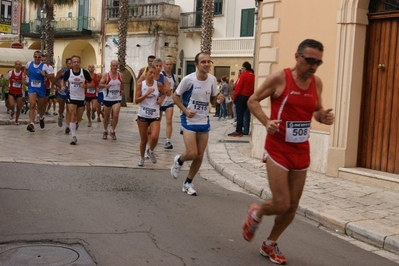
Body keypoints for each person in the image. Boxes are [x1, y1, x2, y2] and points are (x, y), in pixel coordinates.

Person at [242, 39, 334, 265]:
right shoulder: (279, 78)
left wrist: (322, 116)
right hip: (278, 148)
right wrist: (266, 121)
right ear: (297, 56)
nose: (313, 66)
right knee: (282, 202)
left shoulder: (316, 83)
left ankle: (270, 243)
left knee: (293, 205)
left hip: (302, 149)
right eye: (310, 60)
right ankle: (257, 213)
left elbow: (316, 110)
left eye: (318, 62)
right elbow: (253, 101)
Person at [170, 52, 223, 196]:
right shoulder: (189, 80)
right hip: (189, 120)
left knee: (200, 156)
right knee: (192, 153)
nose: (207, 64)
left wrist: (217, 101)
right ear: (196, 64)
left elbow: (212, 100)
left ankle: (188, 183)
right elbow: (175, 96)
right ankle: (179, 160)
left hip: (204, 120)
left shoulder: (212, 80)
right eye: (203, 62)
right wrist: (186, 110)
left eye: (208, 62)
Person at [135, 64, 166, 166]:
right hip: (143, 114)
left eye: (154, 73)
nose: (152, 75)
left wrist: (161, 99)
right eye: (150, 73)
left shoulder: (158, 85)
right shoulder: (141, 84)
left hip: (154, 114)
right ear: (146, 73)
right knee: (144, 139)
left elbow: (165, 92)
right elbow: (136, 100)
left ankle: (150, 151)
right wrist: (146, 94)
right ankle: (141, 157)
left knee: (155, 137)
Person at [60, 55, 93, 145]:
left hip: (81, 98)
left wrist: (85, 86)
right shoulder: (68, 73)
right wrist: (63, 86)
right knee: (72, 114)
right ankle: (73, 137)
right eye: (74, 62)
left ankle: (75, 124)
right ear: (72, 63)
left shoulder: (84, 72)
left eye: (77, 62)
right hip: (71, 97)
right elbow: (63, 80)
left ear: (80, 63)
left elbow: (92, 83)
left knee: (78, 117)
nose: (76, 63)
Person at [25, 51, 55, 132]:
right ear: (33, 57)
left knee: (41, 107)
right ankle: (31, 124)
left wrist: (45, 75)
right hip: (32, 88)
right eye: (36, 57)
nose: (37, 58)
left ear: (41, 57)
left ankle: (41, 117)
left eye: (39, 57)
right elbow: (26, 71)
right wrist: (26, 79)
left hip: (41, 89)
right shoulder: (29, 64)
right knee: (32, 104)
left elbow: (52, 77)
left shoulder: (45, 66)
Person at [228, 62, 255, 137]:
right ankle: (246, 130)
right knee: (247, 114)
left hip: (241, 96)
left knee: (239, 114)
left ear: (245, 68)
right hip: (249, 97)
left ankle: (238, 130)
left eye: (242, 68)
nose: (242, 70)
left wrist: (235, 97)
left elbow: (238, 87)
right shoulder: (254, 76)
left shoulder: (243, 75)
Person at [99, 60, 124, 140]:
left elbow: (122, 83)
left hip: (117, 98)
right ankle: (105, 130)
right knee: (106, 117)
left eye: (116, 65)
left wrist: (122, 90)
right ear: (111, 66)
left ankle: (113, 131)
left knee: (115, 115)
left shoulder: (120, 75)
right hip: (107, 98)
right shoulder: (106, 75)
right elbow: (100, 84)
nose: (115, 67)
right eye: (113, 65)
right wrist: (105, 86)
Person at [54, 58, 72, 131]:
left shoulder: (74, 72)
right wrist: (60, 86)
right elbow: (54, 80)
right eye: (69, 63)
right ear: (66, 64)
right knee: (61, 108)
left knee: (69, 109)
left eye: (71, 63)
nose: (70, 65)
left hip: (70, 91)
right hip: (62, 92)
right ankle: (60, 116)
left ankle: (67, 125)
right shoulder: (61, 71)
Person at [6, 60, 26, 125]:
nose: (18, 65)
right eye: (17, 64)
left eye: (19, 64)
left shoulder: (23, 74)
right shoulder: (11, 72)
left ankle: (16, 120)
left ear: (21, 66)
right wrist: (7, 86)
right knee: (11, 105)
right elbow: (6, 80)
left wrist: (23, 82)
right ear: (15, 65)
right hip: (11, 91)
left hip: (19, 92)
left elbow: (25, 82)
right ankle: (12, 111)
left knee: (18, 107)